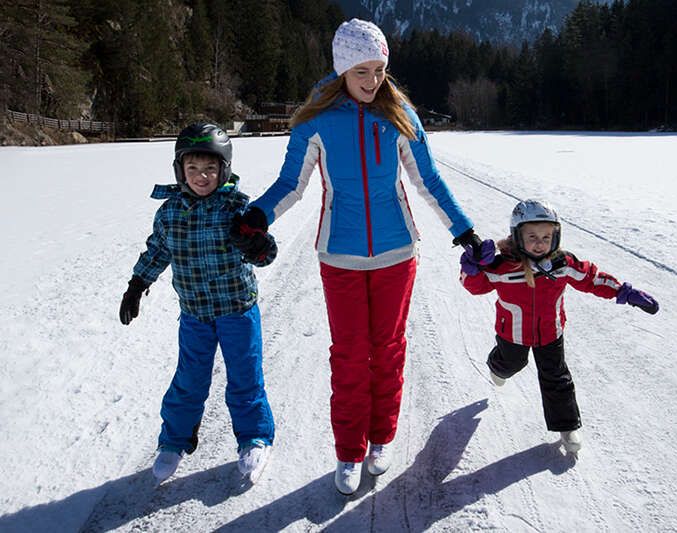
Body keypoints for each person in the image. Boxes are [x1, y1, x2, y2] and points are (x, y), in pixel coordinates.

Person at [229, 19, 482, 495]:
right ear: (342, 69)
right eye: (362, 71)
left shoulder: (400, 113)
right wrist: (258, 216)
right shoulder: (315, 120)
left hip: (397, 253)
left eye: (379, 70)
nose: (372, 81)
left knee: (387, 350)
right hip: (340, 255)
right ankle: (348, 449)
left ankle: (381, 437)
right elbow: (291, 184)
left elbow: (428, 180)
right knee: (348, 356)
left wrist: (462, 229)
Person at [119, 123, 278, 484]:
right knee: (189, 380)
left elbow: (265, 252)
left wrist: (258, 247)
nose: (201, 176)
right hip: (195, 315)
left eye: (209, 168)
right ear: (180, 171)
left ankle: (254, 437)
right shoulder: (171, 212)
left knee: (244, 378)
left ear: (223, 170)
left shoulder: (238, 208)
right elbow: (158, 250)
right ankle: (174, 440)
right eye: (192, 169)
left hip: (238, 310)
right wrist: (137, 283)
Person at [459, 199, 659, 455]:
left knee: (557, 377)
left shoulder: (562, 263)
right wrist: (472, 268)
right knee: (512, 364)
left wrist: (624, 292)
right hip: (513, 333)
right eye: (532, 236)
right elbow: (475, 287)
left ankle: (567, 426)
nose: (540, 243)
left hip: (551, 332)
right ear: (517, 235)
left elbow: (591, 279)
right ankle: (497, 366)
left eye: (546, 236)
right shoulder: (501, 266)